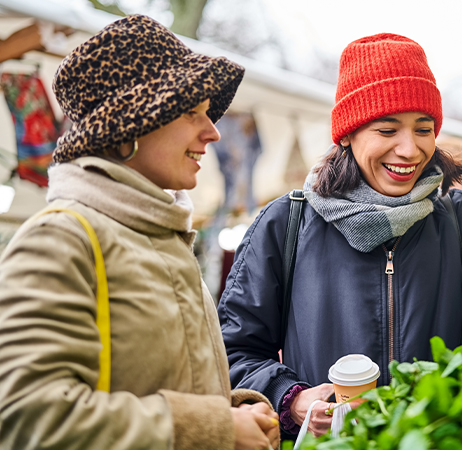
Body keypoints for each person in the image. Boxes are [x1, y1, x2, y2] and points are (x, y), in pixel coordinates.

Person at [218, 34, 462, 439]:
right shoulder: (285, 223)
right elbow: (233, 353)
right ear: (348, 133)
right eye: (387, 129)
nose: (409, 149)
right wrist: (293, 400)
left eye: (423, 129)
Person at [0, 15, 279, 450]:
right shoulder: (60, 239)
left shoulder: (165, 237)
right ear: (128, 127)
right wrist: (215, 429)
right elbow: (29, 417)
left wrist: (236, 410)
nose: (213, 132)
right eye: (192, 113)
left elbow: (153, 381)